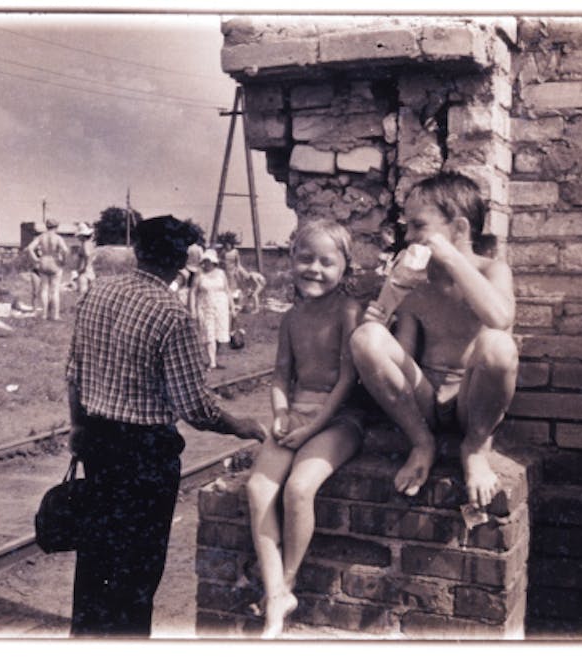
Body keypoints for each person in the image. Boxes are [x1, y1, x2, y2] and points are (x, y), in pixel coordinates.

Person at [65, 214, 267, 637]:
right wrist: (241, 425)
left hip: (98, 441)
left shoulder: (97, 294)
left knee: (96, 557)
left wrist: (78, 428)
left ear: (138, 250)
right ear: (181, 261)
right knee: (137, 569)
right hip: (144, 454)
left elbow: (74, 374)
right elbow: (195, 407)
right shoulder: (173, 316)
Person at [350, 172, 518, 508]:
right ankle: (422, 443)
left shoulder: (492, 271)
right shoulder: (417, 281)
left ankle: (474, 449)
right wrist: (381, 319)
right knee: (366, 338)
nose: (409, 237)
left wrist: (452, 259)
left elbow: (500, 319)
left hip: (474, 402)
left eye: (418, 226)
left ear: (459, 229)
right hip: (426, 400)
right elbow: (403, 356)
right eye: (407, 227)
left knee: (499, 345)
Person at [246, 220, 364, 638]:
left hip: (338, 419)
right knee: (258, 488)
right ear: (292, 259)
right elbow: (281, 375)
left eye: (326, 262)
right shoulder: (291, 318)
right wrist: (281, 414)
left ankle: (289, 579)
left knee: (298, 489)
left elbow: (348, 379)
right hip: (297, 415)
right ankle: (275, 592)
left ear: (345, 268)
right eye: (306, 258)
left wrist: (314, 425)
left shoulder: (349, 311)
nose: (314, 268)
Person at [190, 248, 235, 370]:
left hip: (221, 307)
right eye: (205, 261)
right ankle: (212, 362)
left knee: (219, 335)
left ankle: (214, 358)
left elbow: (227, 290)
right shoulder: (199, 275)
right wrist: (193, 309)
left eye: (208, 261)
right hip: (205, 307)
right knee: (208, 333)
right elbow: (193, 292)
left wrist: (232, 307)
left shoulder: (221, 273)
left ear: (214, 262)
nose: (206, 263)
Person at [26, 219, 70, 320]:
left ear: (46, 226)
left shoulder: (41, 237)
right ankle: (55, 315)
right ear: (56, 227)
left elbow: (30, 248)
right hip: (54, 261)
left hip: (43, 261)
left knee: (44, 289)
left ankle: (44, 314)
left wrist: (35, 259)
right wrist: (63, 260)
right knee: (55, 290)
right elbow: (65, 250)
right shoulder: (58, 238)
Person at [75, 222, 96, 297]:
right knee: (91, 294)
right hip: (91, 270)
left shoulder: (85, 244)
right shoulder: (91, 244)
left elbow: (87, 254)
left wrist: (84, 267)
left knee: (82, 294)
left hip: (84, 271)